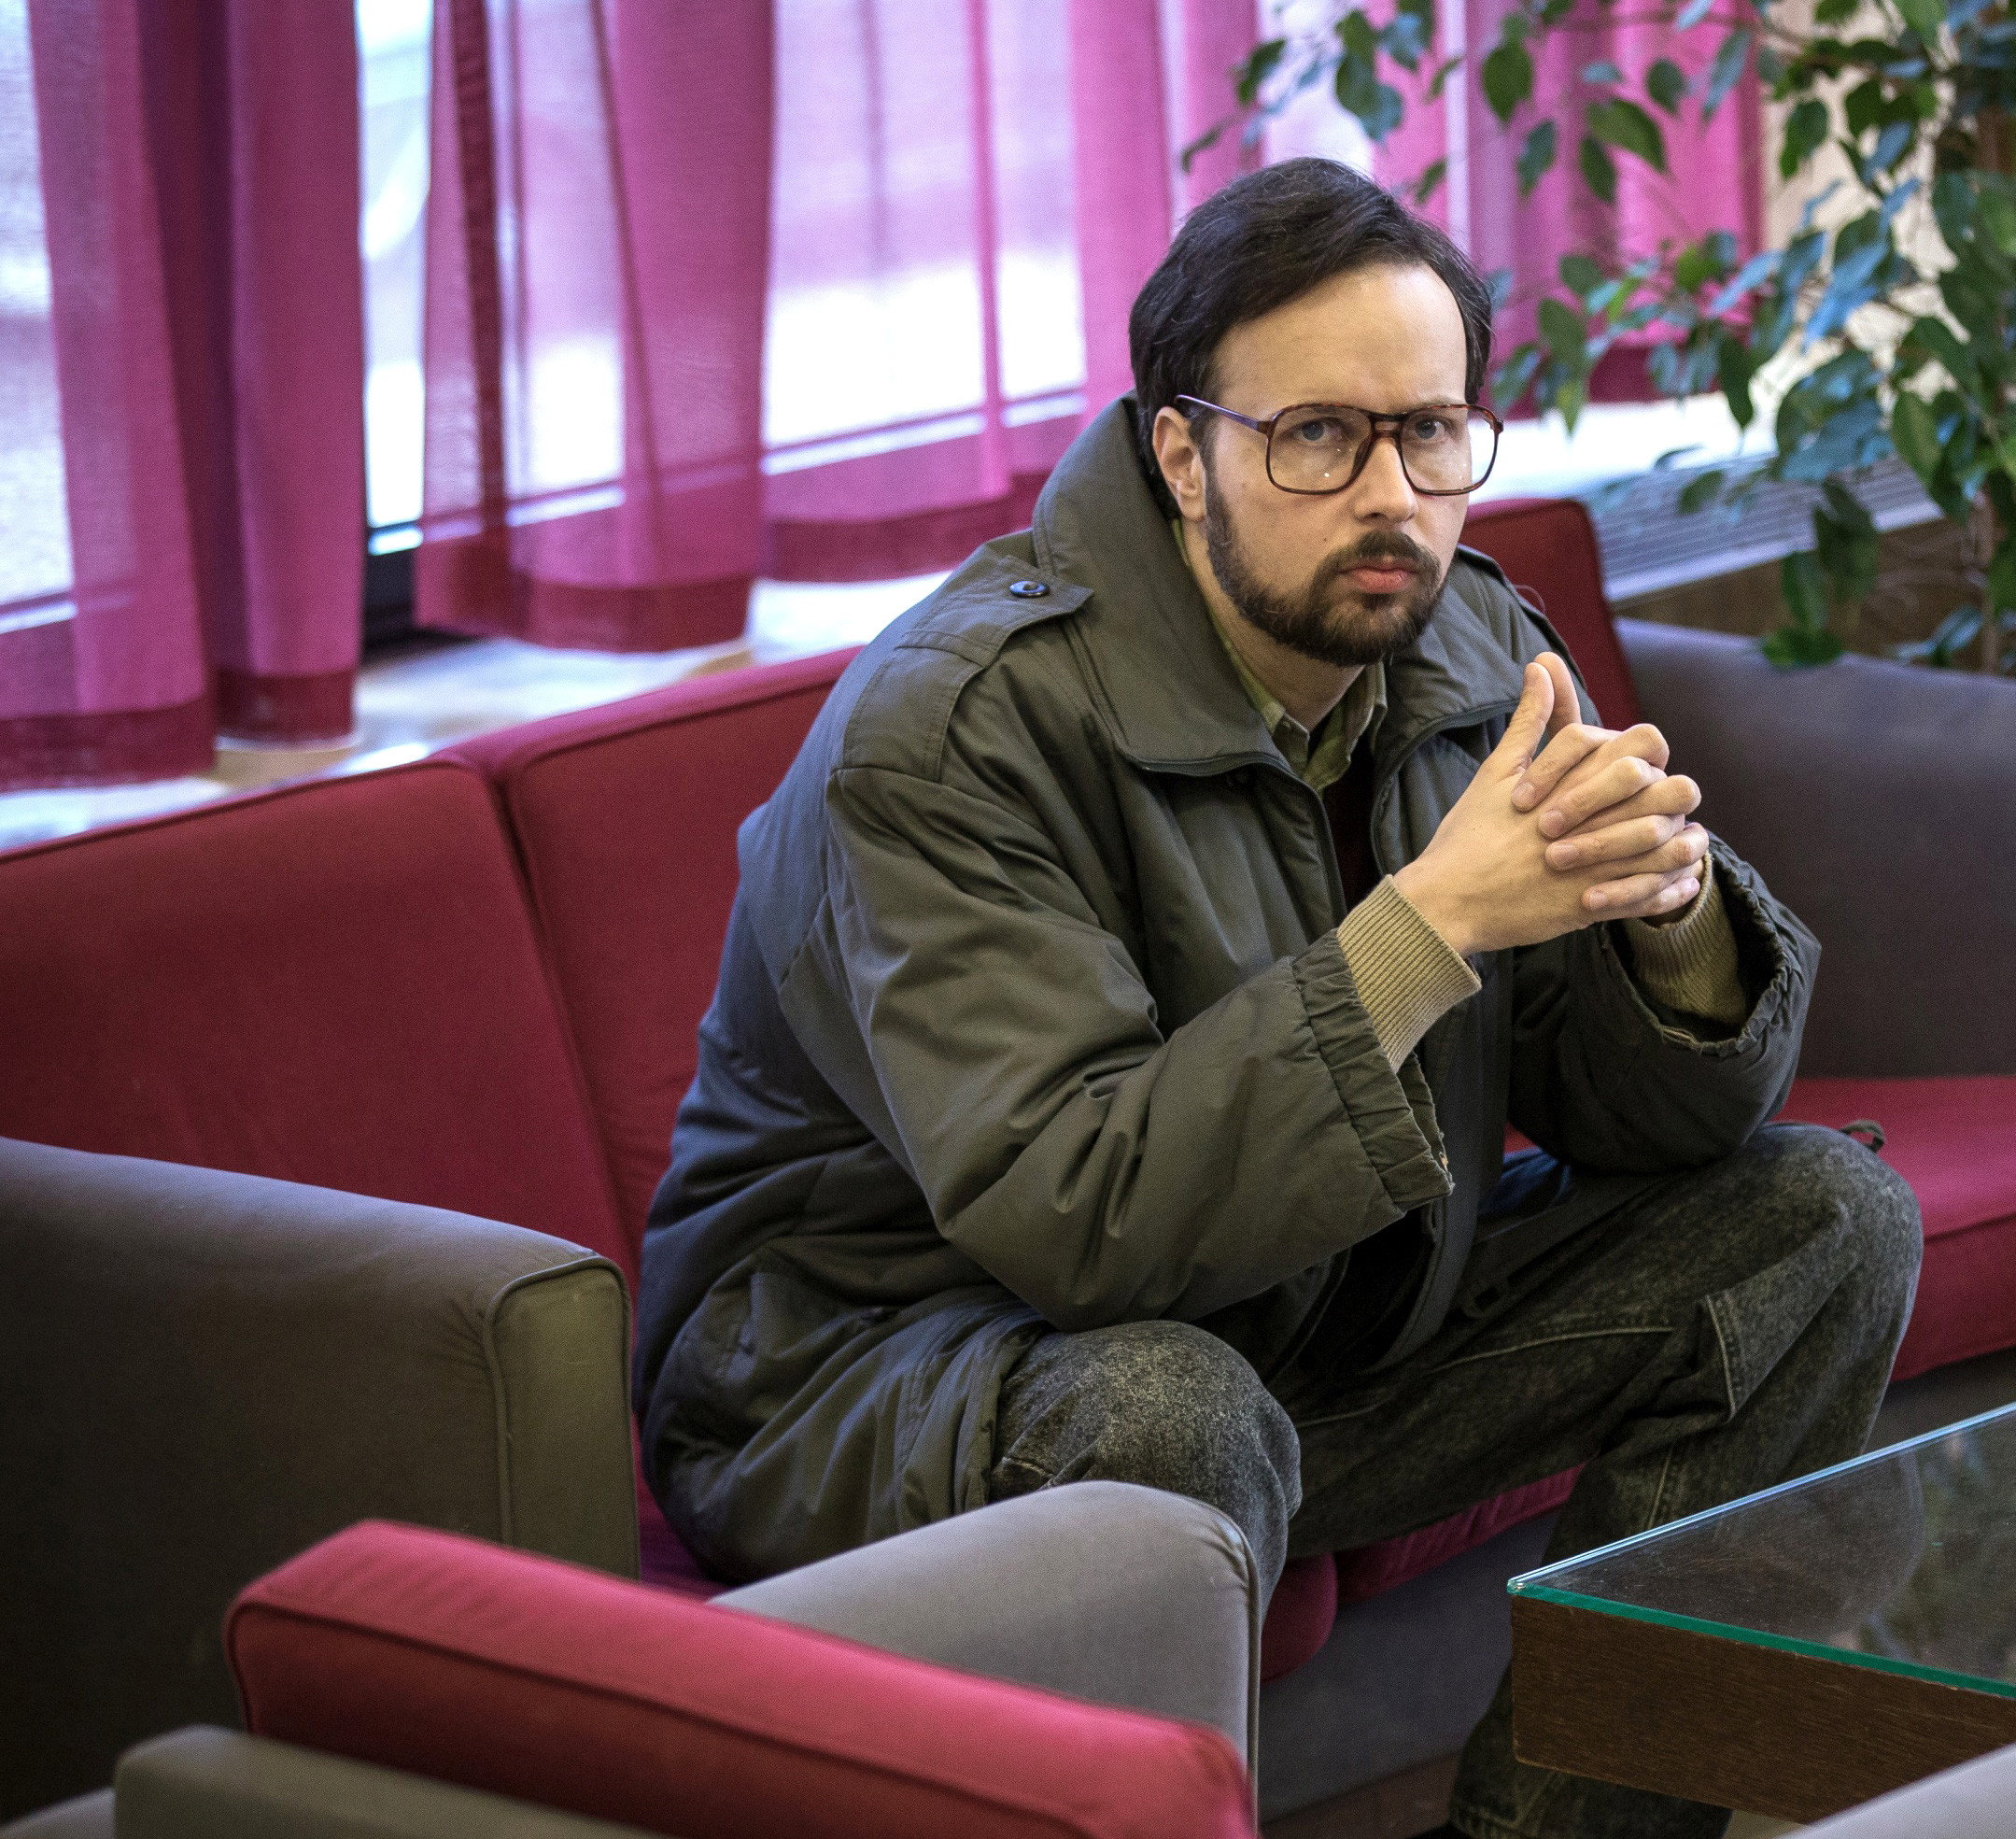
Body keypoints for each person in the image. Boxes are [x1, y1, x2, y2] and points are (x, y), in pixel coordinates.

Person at [634, 156, 1922, 1839]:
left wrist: (1667, 925)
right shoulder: (950, 731)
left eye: (1431, 433)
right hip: (877, 1377)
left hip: (1289, 1321)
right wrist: (1431, 923)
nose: (1392, 497)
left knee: (1824, 1227)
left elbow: (1647, 1126)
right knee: (1169, 1415)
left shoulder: (1469, 647)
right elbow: (1082, 1218)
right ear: (1183, 454)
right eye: (1319, 436)